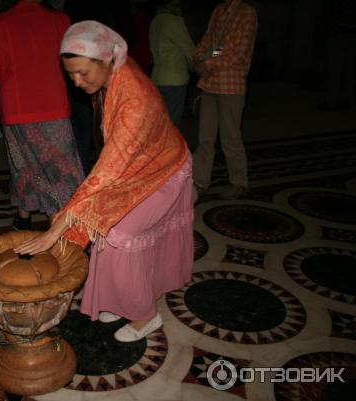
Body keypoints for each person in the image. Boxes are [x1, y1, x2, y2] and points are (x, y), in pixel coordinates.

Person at [14, 21, 194, 343]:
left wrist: (55, 230)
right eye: (70, 74)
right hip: (137, 167)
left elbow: (105, 173)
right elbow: (112, 165)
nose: (76, 81)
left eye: (83, 73)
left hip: (165, 171)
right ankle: (120, 298)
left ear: (108, 59)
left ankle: (145, 316)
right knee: (102, 227)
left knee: (118, 233)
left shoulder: (134, 101)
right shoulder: (115, 66)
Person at [0, 0, 84, 230]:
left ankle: (23, 218)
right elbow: (74, 61)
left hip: (16, 111)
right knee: (60, 170)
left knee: (24, 167)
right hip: (54, 107)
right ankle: (60, 226)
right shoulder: (60, 20)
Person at [192, 0, 258, 200]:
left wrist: (208, 63)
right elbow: (206, 41)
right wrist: (198, 60)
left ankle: (239, 183)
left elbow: (238, 53)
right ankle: (199, 181)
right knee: (205, 137)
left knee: (230, 137)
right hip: (210, 82)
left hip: (231, 84)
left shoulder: (247, 12)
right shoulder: (218, 9)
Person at [149, 0, 195, 128]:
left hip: (157, 78)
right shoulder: (175, 22)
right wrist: (199, 66)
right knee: (172, 125)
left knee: (159, 123)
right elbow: (190, 51)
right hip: (174, 80)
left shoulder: (155, 21)